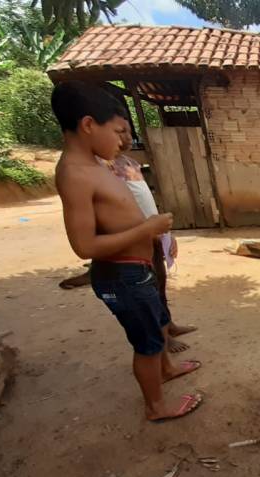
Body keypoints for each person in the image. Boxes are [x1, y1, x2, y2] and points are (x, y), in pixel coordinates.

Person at [51, 81, 203, 422]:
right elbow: (84, 246)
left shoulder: (95, 165)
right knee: (147, 342)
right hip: (122, 276)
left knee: (159, 320)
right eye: (118, 131)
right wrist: (146, 230)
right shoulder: (75, 174)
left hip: (138, 268)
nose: (124, 140)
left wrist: (155, 237)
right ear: (88, 125)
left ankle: (166, 369)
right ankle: (156, 406)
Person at [98, 128, 197, 353]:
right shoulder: (104, 168)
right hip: (136, 238)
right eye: (120, 132)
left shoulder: (131, 163)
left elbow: (146, 201)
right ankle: (163, 338)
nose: (126, 139)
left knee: (160, 281)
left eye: (128, 133)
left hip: (153, 234)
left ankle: (168, 324)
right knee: (149, 288)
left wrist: (166, 234)